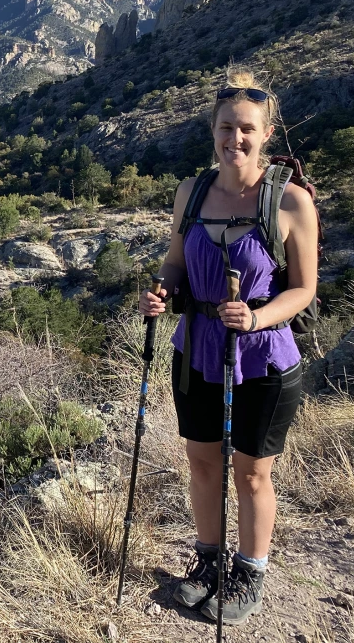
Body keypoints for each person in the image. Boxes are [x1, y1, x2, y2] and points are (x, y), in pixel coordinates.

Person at [139, 68, 318, 625]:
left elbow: (304, 291)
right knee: (202, 461)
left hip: (262, 359)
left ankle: (250, 572)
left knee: (253, 472)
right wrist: (163, 291)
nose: (234, 139)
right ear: (212, 131)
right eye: (225, 128)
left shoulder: (289, 203)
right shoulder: (190, 193)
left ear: (267, 134)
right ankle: (209, 564)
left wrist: (257, 315)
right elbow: (175, 259)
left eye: (246, 129)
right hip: (195, 350)